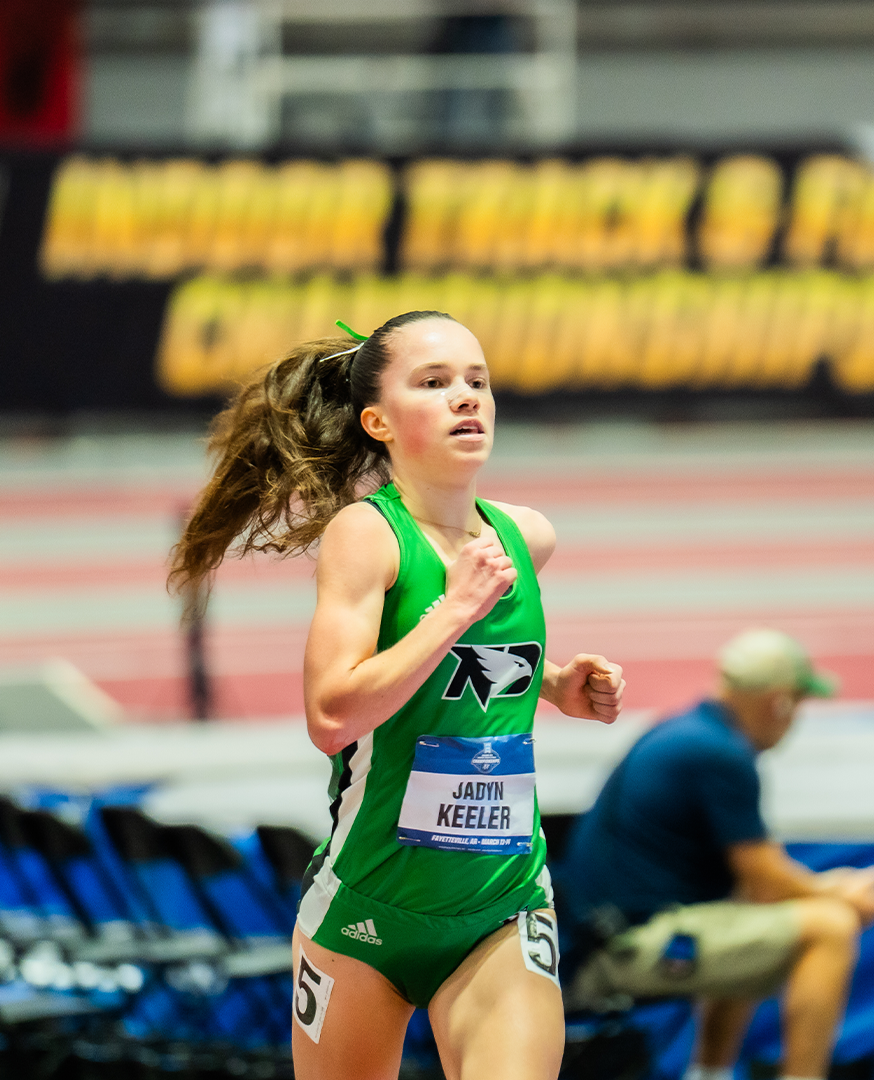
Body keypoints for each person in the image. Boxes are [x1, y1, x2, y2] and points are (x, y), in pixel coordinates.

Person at [169, 311, 626, 1080]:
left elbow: (469, 665)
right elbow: (333, 715)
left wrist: (554, 686)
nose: (466, 399)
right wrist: (455, 607)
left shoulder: (526, 537)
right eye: (436, 383)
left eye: (477, 382)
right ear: (377, 420)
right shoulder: (368, 536)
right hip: (365, 908)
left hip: (502, 903)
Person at [557, 629, 874, 1080]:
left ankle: (709, 1075)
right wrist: (839, 899)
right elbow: (766, 878)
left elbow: (762, 878)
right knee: (830, 928)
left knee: (748, 915)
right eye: (798, 703)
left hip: (601, 937)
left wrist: (823, 887)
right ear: (779, 703)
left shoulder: (686, 731)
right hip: (619, 951)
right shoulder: (721, 754)